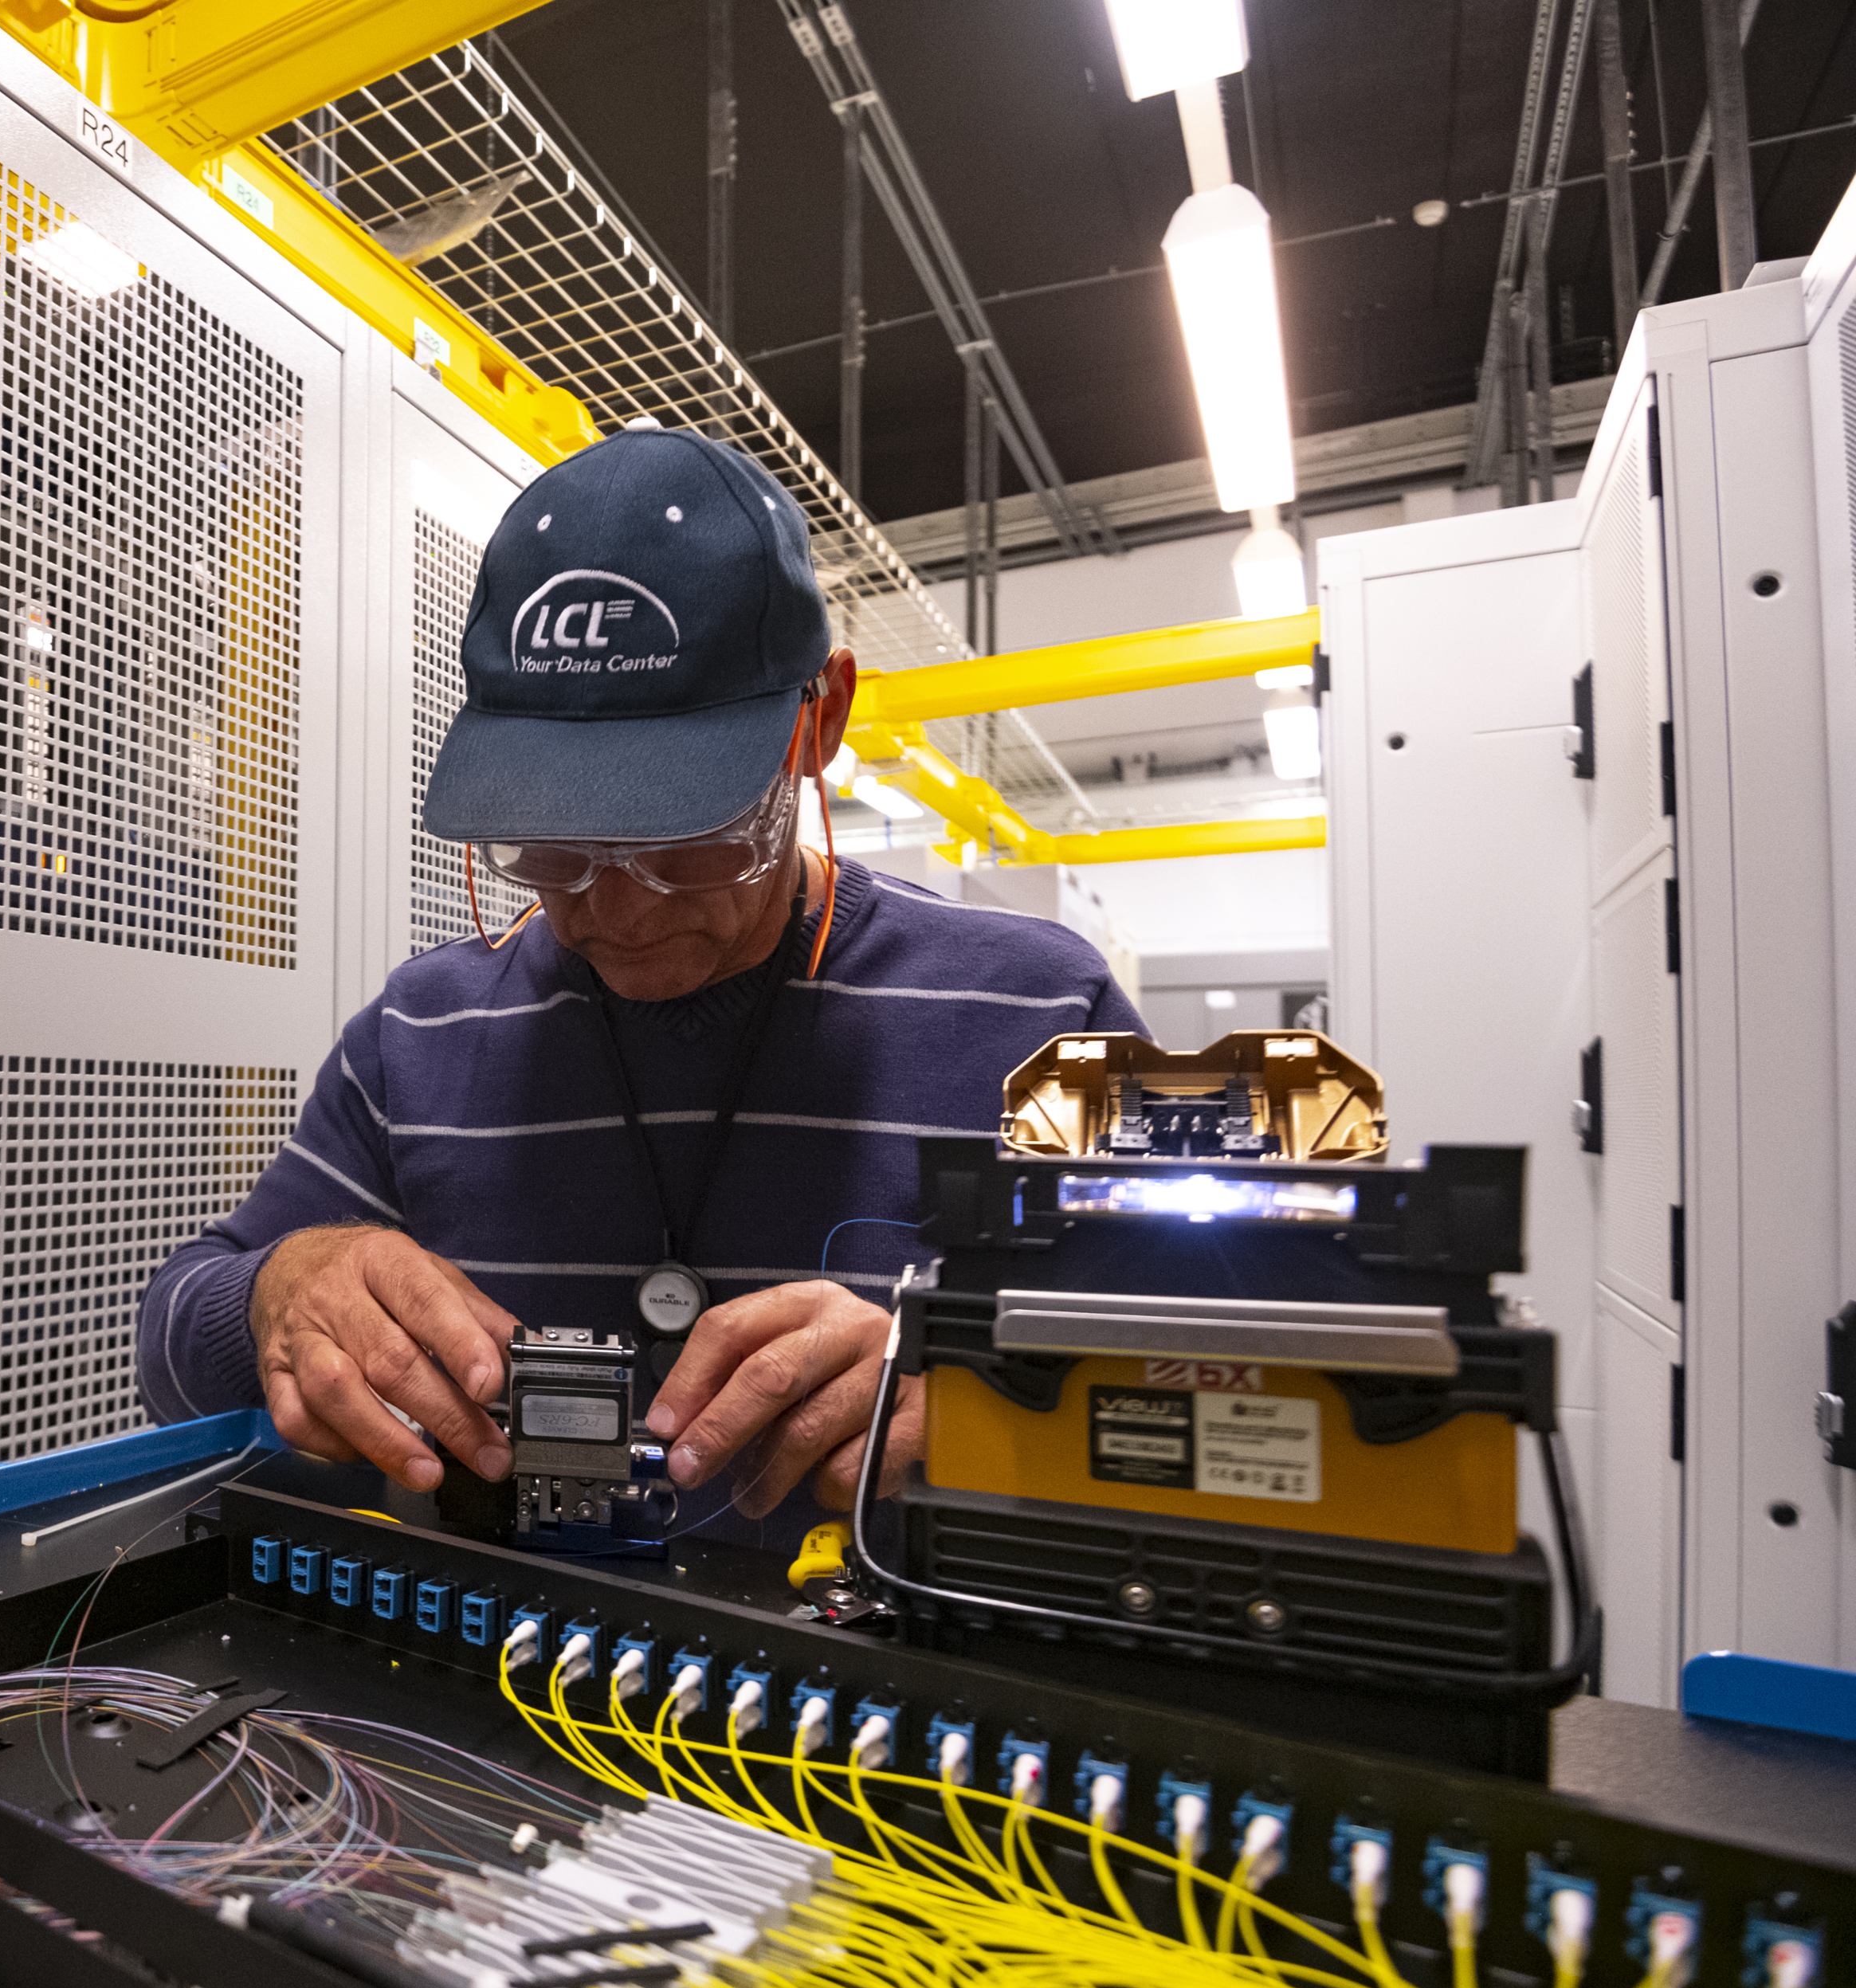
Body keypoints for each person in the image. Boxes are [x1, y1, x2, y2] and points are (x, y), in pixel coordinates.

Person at [135, 423, 1145, 1542]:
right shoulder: (417, 1034)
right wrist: (279, 1289)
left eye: (690, 840)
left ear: (825, 722)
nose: (616, 911)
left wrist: (995, 1392)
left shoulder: (1043, 1021)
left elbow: (1246, 1383)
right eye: (554, 851)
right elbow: (175, 1339)